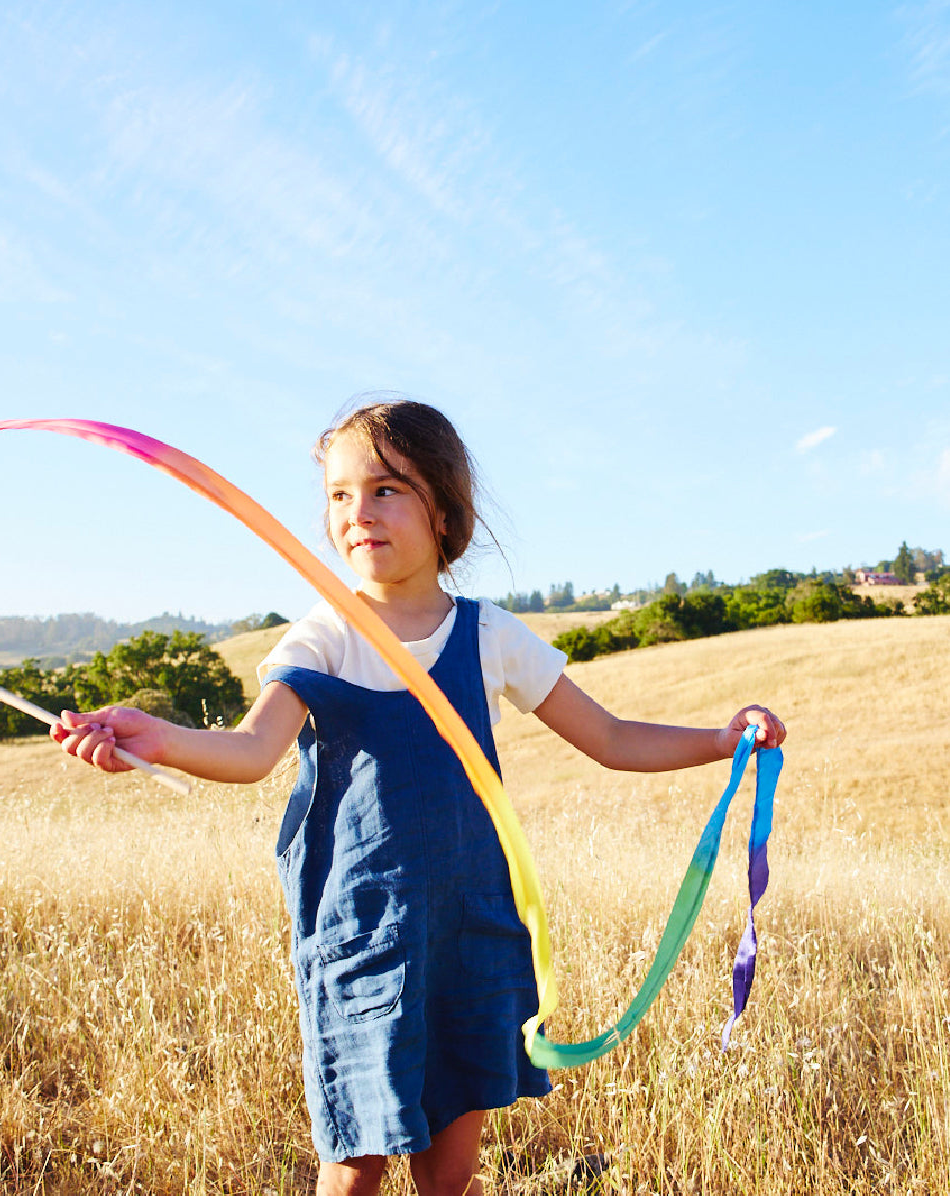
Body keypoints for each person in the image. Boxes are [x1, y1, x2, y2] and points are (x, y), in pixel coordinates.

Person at [52, 398, 786, 1196]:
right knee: (355, 1164)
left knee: (451, 1170)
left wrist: (720, 741)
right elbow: (251, 751)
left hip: (474, 933)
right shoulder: (326, 636)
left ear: (442, 508)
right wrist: (157, 738)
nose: (356, 513)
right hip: (364, 941)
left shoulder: (489, 633)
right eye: (338, 495)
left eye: (385, 489)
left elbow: (609, 738)